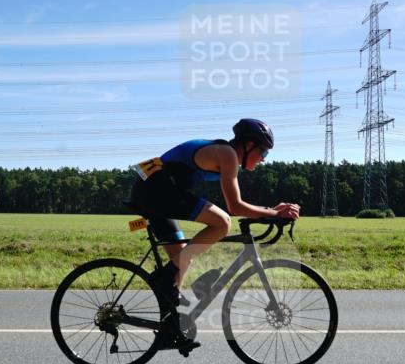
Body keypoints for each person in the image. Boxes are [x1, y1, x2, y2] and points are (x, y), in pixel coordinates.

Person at [129, 119, 300, 351]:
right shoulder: (227, 154)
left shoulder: (226, 154)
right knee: (222, 223)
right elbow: (235, 207)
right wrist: (273, 212)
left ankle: (168, 331)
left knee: (179, 261)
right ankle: (164, 280)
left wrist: (270, 212)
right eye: (263, 151)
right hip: (157, 190)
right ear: (249, 144)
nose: (264, 158)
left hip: (153, 189)